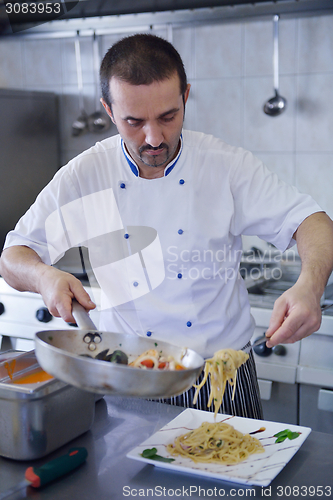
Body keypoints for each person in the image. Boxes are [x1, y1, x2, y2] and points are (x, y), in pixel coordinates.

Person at [1, 34, 333, 419]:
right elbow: (14, 255)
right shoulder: (86, 175)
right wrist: (43, 277)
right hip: (125, 377)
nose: (154, 138)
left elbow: (313, 222)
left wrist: (310, 286)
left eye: (167, 117)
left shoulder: (224, 166)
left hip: (220, 376)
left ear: (186, 97)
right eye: (134, 121)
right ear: (108, 110)